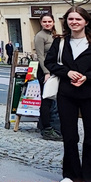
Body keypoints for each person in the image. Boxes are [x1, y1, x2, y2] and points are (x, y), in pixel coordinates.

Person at [45, 7, 91, 182]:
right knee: (69, 135)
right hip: (67, 94)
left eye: (78, 19)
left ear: (86, 22)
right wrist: (68, 72)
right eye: (70, 19)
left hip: (90, 94)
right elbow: (50, 62)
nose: (74, 22)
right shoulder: (60, 42)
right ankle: (71, 174)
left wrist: (86, 77)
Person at [33, 13, 63, 141]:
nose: (47, 24)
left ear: (53, 22)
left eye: (49, 21)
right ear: (41, 23)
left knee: (53, 99)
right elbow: (40, 56)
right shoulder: (40, 36)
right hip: (45, 70)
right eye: (44, 22)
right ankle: (47, 128)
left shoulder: (54, 34)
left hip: (55, 69)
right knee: (46, 99)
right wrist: (46, 73)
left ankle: (43, 124)